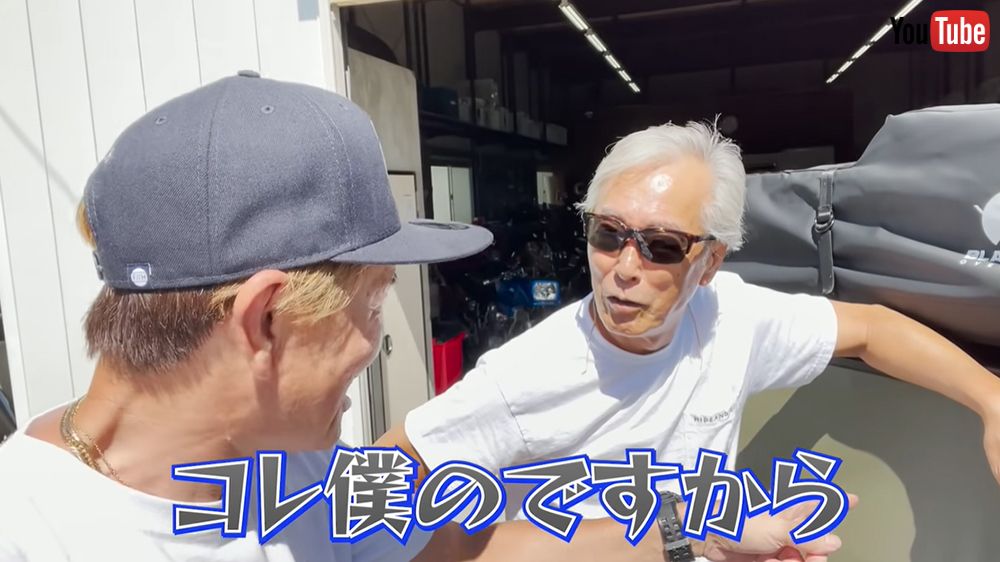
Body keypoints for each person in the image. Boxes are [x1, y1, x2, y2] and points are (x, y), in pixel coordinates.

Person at [0, 75, 855, 562]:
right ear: (263, 321)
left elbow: (470, 547)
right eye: (375, 303)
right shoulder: (34, 534)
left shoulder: (290, 470)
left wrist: (690, 535)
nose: (379, 344)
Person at [380, 121, 1000, 528]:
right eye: (608, 235)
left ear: (710, 262)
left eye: (662, 246)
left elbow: (871, 328)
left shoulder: (732, 317)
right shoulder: (523, 377)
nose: (625, 269)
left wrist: (991, 401)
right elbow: (379, 484)